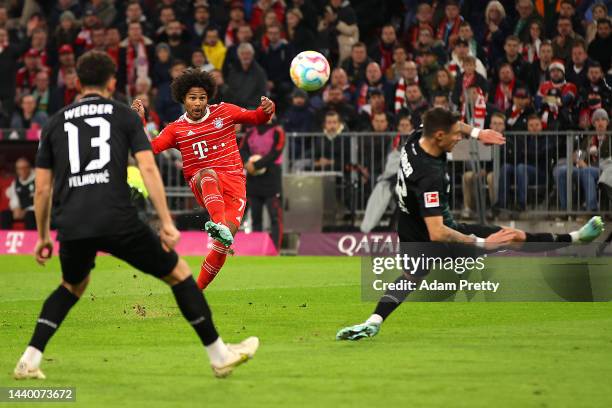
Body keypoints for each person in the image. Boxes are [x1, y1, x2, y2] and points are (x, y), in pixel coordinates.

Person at [13, 51, 258, 380]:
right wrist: (166, 221)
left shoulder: (55, 122)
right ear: (113, 82)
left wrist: (43, 237)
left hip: (71, 220)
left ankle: (29, 360)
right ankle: (219, 355)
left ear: (75, 83)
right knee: (180, 275)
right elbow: (146, 166)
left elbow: (42, 189)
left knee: (70, 287)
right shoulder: (122, 115)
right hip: (116, 218)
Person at [336, 107, 605, 340]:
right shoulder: (429, 177)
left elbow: (454, 124)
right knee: (509, 237)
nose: (459, 139)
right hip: (435, 232)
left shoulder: (417, 136)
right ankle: (576, 238)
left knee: (410, 278)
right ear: (439, 136)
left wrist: (478, 133)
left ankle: (373, 322)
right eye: (455, 136)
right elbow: (438, 232)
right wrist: (481, 243)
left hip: (408, 229)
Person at [131, 68, 275, 291]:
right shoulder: (176, 129)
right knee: (208, 174)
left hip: (235, 184)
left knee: (221, 246)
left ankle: (195, 292)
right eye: (192, 98)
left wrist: (267, 110)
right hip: (203, 183)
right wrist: (139, 122)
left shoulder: (225, 112)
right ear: (183, 99)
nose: (197, 103)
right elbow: (149, 149)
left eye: (201, 98)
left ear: (208, 97)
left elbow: (256, 117)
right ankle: (218, 225)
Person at [239, 117, 286, 250]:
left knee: (275, 216)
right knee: (256, 216)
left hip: (271, 177)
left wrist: (256, 164)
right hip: (254, 179)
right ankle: (257, 249)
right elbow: (242, 150)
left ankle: (276, 249)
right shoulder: (251, 132)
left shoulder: (278, 131)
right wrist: (248, 163)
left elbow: (276, 152)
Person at [1, 158, 36, 230]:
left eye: (24, 168)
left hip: (34, 210)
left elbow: (42, 200)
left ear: (29, 168)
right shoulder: (16, 183)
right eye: (19, 168)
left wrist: (26, 211)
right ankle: (5, 238)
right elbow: (14, 197)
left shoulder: (37, 179)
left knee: (30, 215)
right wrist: (16, 208)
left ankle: (30, 239)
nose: (22, 171)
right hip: (21, 210)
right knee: (5, 214)